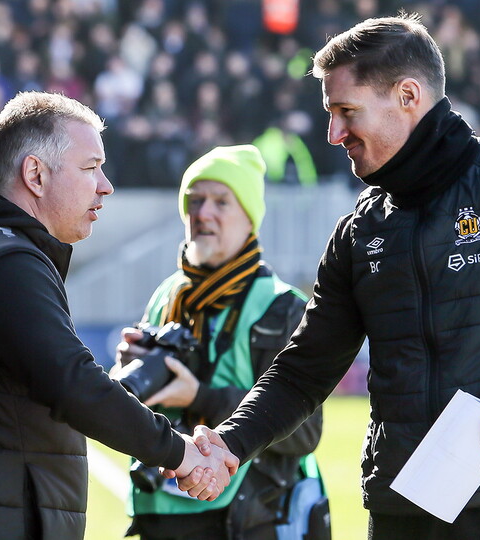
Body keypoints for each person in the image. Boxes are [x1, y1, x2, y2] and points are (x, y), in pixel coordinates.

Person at [185, 14, 480, 539]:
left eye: (346, 111)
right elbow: (304, 370)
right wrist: (229, 444)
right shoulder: (358, 231)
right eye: (330, 114)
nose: (333, 133)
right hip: (400, 508)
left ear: (408, 95)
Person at [0, 91, 236, 540]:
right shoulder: (5, 262)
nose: (106, 185)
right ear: (34, 173)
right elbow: (70, 383)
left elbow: (32, 395)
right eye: (91, 168)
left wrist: (124, 384)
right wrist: (179, 452)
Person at [114, 145, 325, 539]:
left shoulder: (281, 308)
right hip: (161, 511)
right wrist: (129, 370)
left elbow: (305, 433)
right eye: (194, 201)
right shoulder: (167, 295)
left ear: (250, 217)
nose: (203, 213)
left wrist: (199, 397)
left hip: (245, 521)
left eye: (221, 202)